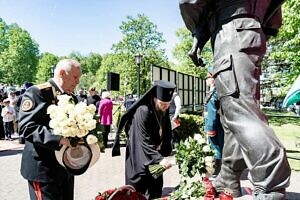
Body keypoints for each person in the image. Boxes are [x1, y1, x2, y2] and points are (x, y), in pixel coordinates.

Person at [179, 0, 291, 199]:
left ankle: (270, 182)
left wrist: (197, 30)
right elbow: (274, 17)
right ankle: (228, 175)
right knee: (235, 112)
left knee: (238, 110)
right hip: (249, 29)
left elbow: (189, 2)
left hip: (231, 31)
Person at [18, 59, 81, 200]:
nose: (77, 82)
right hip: (43, 170)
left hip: (65, 169)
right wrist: (59, 139)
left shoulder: (72, 98)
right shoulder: (38, 92)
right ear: (62, 73)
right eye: (75, 77)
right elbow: (27, 127)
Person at [112, 80, 176, 199]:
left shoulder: (163, 108)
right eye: (163, 104)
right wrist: (159, 159)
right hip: (139, 154)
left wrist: (166, 150)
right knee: (139, 192)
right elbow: (143, 140)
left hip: (153, 154)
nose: (166, 107)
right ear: (155, 98)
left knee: (155, 189)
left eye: (168, 104)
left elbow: (167, 131)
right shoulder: (143, 110)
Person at [203, 70, 224, 177]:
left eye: (207, 78)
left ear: (213, 80)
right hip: (217, 125)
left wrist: (210, 128)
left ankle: (217, 171)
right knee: (217, 146)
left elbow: (211, 111)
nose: (206, 80)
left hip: (214, 126)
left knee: (216, 148)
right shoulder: (216, 91)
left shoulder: (214, 92)